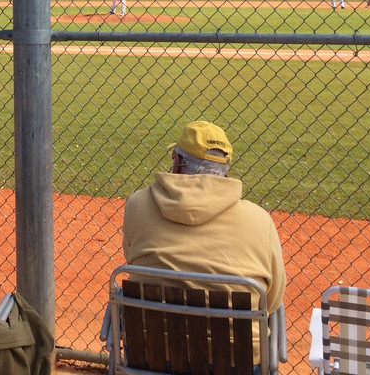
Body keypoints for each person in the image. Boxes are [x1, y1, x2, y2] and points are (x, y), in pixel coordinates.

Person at [122, 121, 286, 361]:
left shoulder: (137, 205)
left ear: (177, 161)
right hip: (234, 360)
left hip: (151, 355)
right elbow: (272, 299)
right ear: (225, 169)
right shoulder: (260, 219)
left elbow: (132, 258)